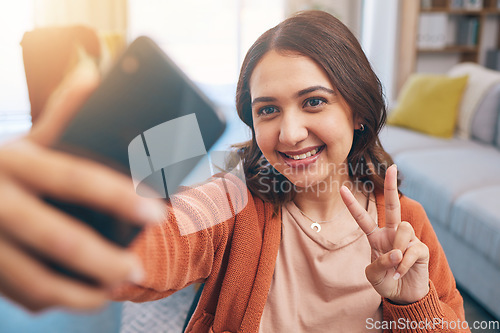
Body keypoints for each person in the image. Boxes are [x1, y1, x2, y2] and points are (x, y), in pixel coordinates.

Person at [0, 10, 468, 332]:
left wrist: (412, 302)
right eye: (267, 110)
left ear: (357, 112)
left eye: (314, 102)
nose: (289, 133)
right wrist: (71, 220)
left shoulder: (408, 223)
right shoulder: (231, 200)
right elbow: (158, 245)